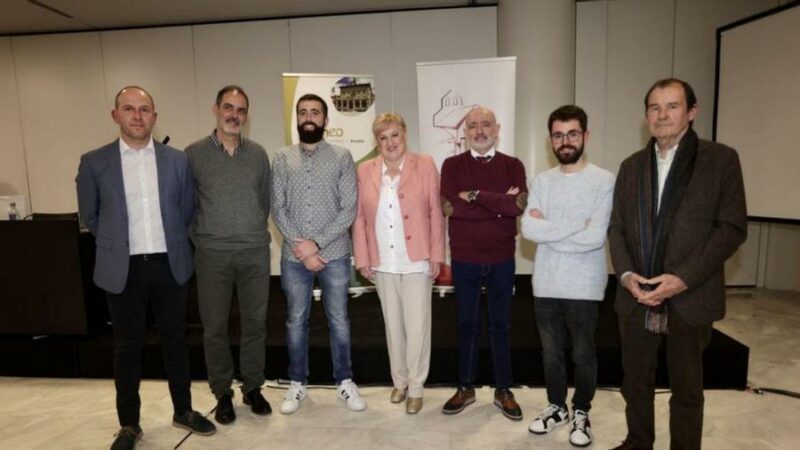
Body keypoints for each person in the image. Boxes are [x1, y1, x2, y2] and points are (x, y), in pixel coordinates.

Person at [607, 78, 747, 450]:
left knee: (686, 388)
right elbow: (617, 227)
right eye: (655, 107)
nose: (663, 114)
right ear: (646, 116)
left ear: (691, 112)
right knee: (635, 381)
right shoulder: (631, 166)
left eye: (672, 106)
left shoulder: (720, 160)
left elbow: (730, 229)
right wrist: (625, 276)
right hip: (636, 296)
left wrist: (683, 279)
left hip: (690, 295)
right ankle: (638, 441)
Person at [76, 86, 216, 450]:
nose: (137, 116)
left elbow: (186, 210)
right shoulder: (94, 162)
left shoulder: (177, 160)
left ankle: (183, 411)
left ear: (155, 116)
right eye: (129, 109)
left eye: (144, 110)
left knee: (176, 342)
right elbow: (90, 215)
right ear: (115, 115)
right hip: (123, 269)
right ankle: (129, 425)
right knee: (127, 348)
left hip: (170, 265)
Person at [521, 105, 615, 447]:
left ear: (585, 136)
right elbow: (530, 229)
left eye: (572, 133)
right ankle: (556, 407)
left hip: (585, 286)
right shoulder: (542, 181)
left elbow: (596, 237)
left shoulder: (604, 180)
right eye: (559, 135)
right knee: (551, 354)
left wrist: (552, 229)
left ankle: (582, 412)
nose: (565, 140)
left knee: (583, 354)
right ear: (550, 140)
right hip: (546, 283)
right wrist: (578, 224)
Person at [271, 93, 365, 414]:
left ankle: (344, 381)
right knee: (296, 320)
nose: (308, 116)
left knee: (339, 319)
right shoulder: (282, 157)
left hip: (334, 253)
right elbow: (277, 207)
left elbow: (348, 207)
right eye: (303, 112)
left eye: (315, 112)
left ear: (326, 120)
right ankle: (298, 383)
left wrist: (317, 244)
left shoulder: (342, 156)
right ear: (296, 119)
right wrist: (301, 246)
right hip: (293, 256)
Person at [186, 85, 272, 424]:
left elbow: (264, 200)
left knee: (255, 324)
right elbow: (186, 204)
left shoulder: (258, 154)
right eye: (228, 107)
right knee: (214, 328)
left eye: (240, 109)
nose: (234, 114)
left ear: (246, 116)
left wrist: (248, 228)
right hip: (212, 254)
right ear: (216, 110)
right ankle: (222, 392)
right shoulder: (193, 154)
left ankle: (252, 387)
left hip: (254, 251)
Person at [352, 113, 445, 414]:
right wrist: (363, 257)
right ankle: (399, 381)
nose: (390, 142)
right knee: (392, 326)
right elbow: (359, 218)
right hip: (383, 261)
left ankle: (416, 386)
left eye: (395, 135)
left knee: (417, 327)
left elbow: (436, 211)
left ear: (405, 135)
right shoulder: (365, 170)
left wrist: (436, 255)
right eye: (383, 137)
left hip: (416, 259)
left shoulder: (426, 164)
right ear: (376, 142)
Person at [439, 106, 528, 420]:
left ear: (497, 128)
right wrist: (497, 202)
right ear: (465, 132)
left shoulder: (513, 165)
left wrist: (474, 195)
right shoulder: (451, 166)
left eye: (485, 125)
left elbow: (517, 206)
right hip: (464, 259)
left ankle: (503, 389)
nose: (479, 131)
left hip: (502, 259)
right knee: (466, 325)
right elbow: (450, 207)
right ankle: (466, 386)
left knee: (502, 326)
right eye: (473, 125)